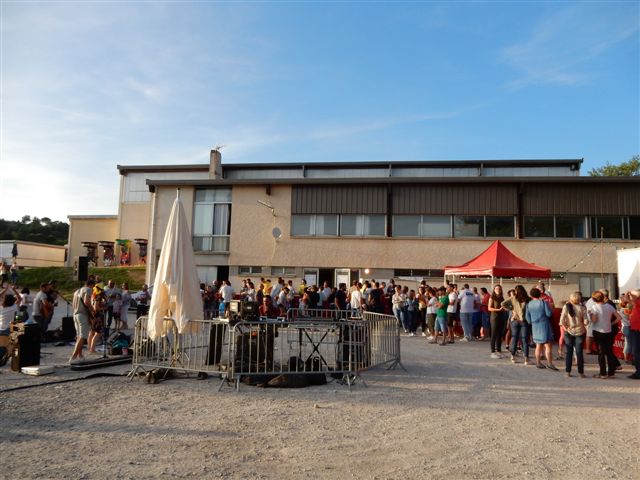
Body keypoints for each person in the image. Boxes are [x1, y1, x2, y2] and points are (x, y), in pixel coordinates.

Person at [587, 291, 622, 379]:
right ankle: (611, 373)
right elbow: (619, 317)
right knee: (610, 352)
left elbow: (594, 320)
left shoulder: (594, 307)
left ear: (594, 299)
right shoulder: (609, 306)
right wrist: (611, 323)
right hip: (608, 331)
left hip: (598, 331)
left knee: (601, 353)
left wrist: (590, 315)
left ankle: (603, 373)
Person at [526, 287, 557, 370]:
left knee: (538, 345)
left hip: (535, 326)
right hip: (544, 325)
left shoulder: (529, 304)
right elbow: (549, 314)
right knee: (548, 346)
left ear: (531, 295)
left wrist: (532, 322)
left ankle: (538, 362)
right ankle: (549, 363)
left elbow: (527, 317)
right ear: (540, 294)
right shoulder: (544, 302)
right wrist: (551, 308)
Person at [559, 292, 589, 378]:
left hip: (569, 331)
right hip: (580, 331)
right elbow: (586, 321)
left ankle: (567, 372)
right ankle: (581, 373)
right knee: (579, 352)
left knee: (569, 352)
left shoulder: (566, 307)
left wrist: (565, 328)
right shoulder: (582, 308)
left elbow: (561, 320)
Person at [501, 285, 530, 365]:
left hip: (514, 320)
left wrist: (511, 308)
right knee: (524, 339)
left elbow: (502, 304)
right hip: (524, 320)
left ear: (517, 291)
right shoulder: (527, 299)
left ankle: (513, 357)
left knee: (514, 338)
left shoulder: (513, 298)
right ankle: (526, 359)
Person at [70, 279, 95, 363]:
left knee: (79, 336)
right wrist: (93, 310)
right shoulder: (88, 289)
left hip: (75, 314)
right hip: (83, 315)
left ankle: (80, 355)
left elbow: (73, 304)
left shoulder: (77, 291)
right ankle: (73, 357)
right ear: (91, 285)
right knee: (83, 336)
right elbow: (86, 301)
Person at [488, 285, 507, 358]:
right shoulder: (492, 298)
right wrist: (498, 310)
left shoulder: (502, 297)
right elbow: (489, 308)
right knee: (494, 334)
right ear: (494, 290)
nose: (498, 290)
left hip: (501, 316)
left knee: (500, 334)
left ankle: (498, 351)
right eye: (496, 289)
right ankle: (492, 352)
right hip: (494, 317)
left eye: (499, 289)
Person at [626, 289, 640, 379]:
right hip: (635, 329)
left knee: (636, 352)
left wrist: (629, 292)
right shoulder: (636, 302)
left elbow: (628, 299)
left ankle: (639, 372)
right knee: (636, 352)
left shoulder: (638, 302)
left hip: (637, 330)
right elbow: (627, 300)